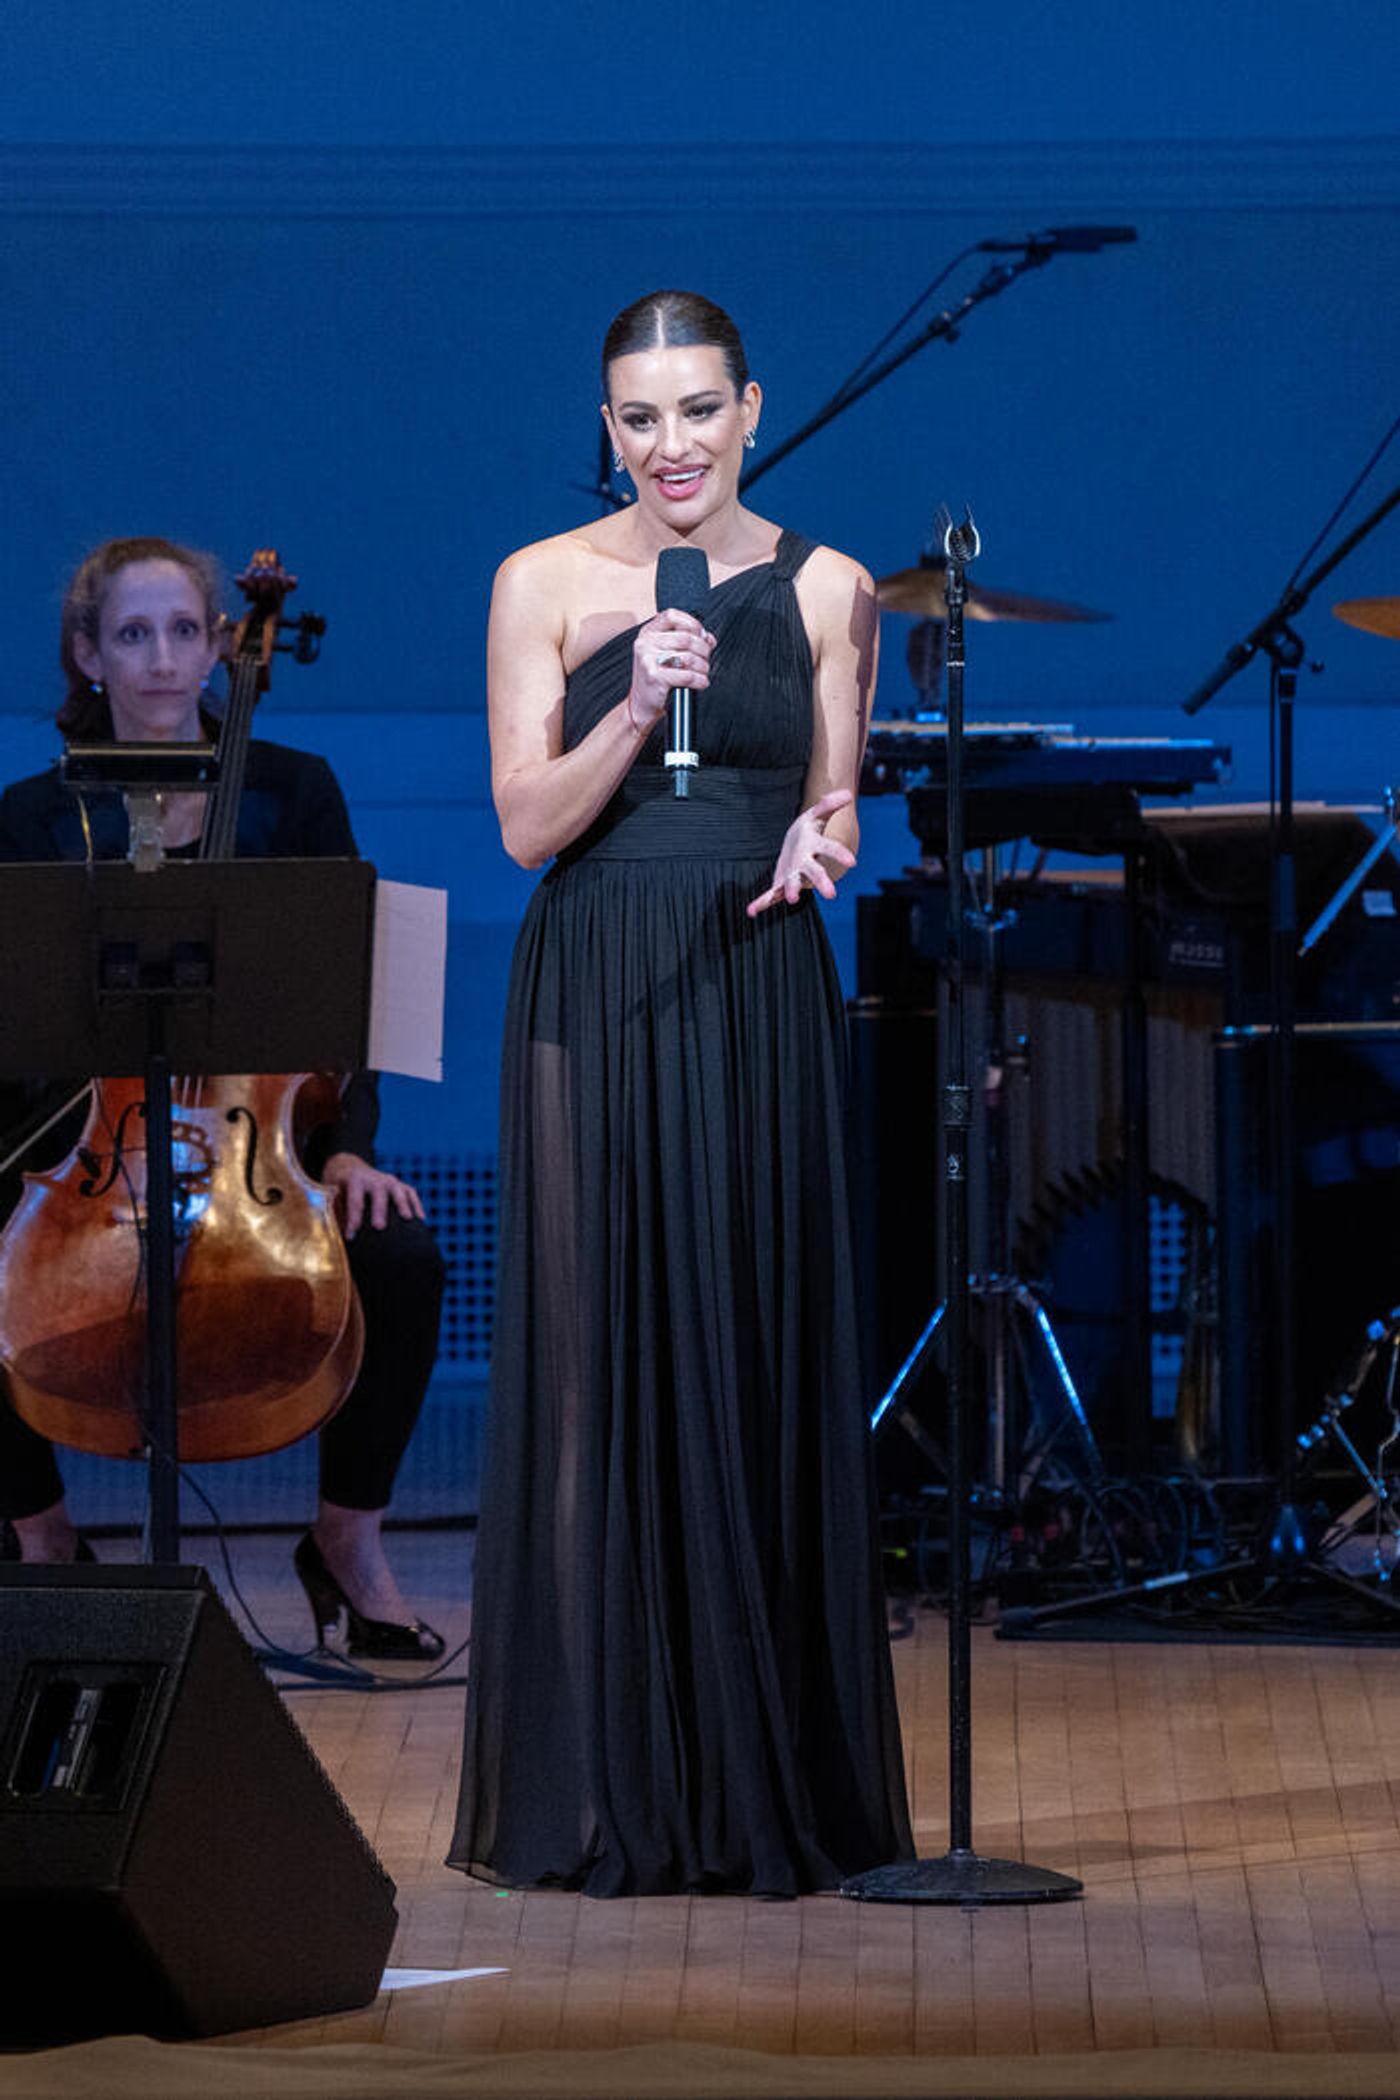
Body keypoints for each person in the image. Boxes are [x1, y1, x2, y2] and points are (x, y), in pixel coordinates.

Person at [448, 291, 912, 1896]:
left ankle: (760, 1773)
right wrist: (635, 703)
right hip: (597, 981)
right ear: (607, 427)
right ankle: (595, 1785)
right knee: (595, 1363)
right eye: (637, 419)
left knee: (755, 1350)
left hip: (759, 977)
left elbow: (837, 801)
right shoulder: (542, 583)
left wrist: (828, 838)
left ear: (753, 410)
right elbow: (523, 825)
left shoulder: (839, 587)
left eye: (697, 412)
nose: (669, 447)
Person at [0, 536, 447, 1659]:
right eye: (133, 634)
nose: (162, 657)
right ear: (87, 653)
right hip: (78, 1144)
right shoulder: (32, 817)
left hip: (267, 1144)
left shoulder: (294, 790)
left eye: (185, 631)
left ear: (219, 645)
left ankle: (346, 1539)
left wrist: (348, 1150)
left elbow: (350, 995)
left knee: (399, 1254)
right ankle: (44, 1538)